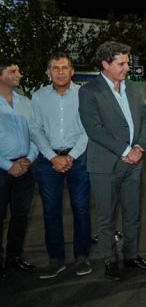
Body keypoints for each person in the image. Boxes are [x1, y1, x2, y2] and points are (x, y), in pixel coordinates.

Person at [78, 41, 146, 281]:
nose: (127, 68)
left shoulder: (133, 88)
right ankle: (110, 260)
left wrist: (139, 146)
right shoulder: (89, 91)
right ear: (105, 64)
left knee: (133, 214)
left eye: (127, 63)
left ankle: (131, 256)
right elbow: (94, 129)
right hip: (105, 165)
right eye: (121, 64)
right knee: (106, 217)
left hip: (134, 162)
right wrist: (125, 150)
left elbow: (144, 119)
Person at [30, 52, 92, 279]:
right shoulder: (38, 97)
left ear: (72, 71)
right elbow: (35, 129)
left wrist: (71, 156)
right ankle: (56, 259)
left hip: (79, 159)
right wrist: (52, 157)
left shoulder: (84, 95)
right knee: (50, 211)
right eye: (55, 68)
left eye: (64, 67)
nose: (60, 72)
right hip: (48, 162)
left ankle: (82, 256)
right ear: (49, 72)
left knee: (81, 209)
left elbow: (88, 129)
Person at [0, 58, 38, 279]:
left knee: (21, 216)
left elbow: (35, 134)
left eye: (19, 70)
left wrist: (29, 159)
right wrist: (8, 165)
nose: (19, 74)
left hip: (25, 169)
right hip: (2, 169)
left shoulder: (25, 102)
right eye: (13, 71)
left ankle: (14, 258)